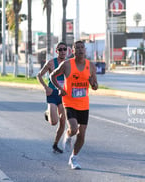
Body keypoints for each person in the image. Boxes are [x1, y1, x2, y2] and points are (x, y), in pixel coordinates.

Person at [50, 40, 98, 169]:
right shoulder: (67, 65)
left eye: (82, 47)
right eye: (78, 48)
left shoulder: (91, 66)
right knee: (74, 128)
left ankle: (74, 158)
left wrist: (93, 84)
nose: (81, 50)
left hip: (84, 104)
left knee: (82, 135)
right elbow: (52, 76)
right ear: (73, 50)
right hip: (69, 102)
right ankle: (68, 134)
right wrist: (59, 88)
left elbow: (95, 85)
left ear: (85, 50)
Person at [37, 42, 68, 153]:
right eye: (60, 49)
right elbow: (39, 75)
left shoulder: (69, 63)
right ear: (56, 51)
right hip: (52, 93)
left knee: (63, 120)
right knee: (54, 122)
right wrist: (46, 88)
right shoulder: (51, 63)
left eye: (65, 49)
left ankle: (55, 144)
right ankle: (48, 112)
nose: (63, 51)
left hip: (63, 94)